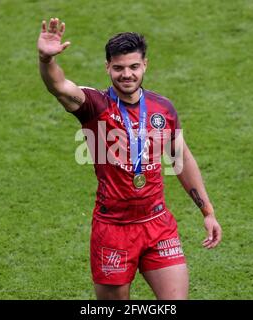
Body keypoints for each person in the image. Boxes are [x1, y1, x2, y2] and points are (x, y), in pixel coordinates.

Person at [38, 17, 222, 300]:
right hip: (113, 230)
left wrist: (207, 212)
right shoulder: (95, 106)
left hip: (158, 224)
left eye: (134, 67)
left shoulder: (163, 109)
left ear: (144, 65)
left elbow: (181, 159)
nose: (127, 74)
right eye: (119, 68)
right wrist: (46, 60)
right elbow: (60, 87)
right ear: (107, 67)